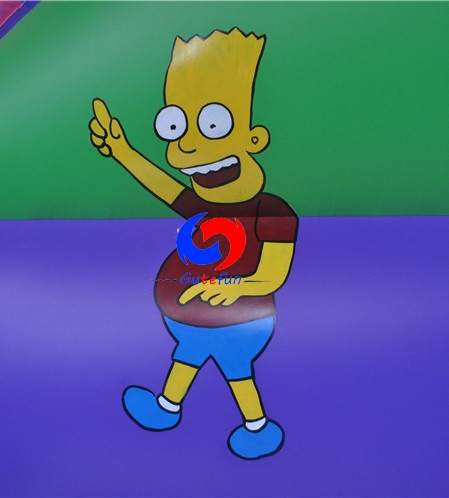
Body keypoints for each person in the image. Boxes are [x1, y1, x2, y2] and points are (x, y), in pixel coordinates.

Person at [88, 28, 297, 459]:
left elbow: (273, 273)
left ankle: (255, 427)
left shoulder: (271, 211)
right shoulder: (205, 203)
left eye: (212, 125)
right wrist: (123, 151)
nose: (185, 145)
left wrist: (233, 289)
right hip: (189, 312)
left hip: (240, 319)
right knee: (192, 354)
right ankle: (170, 408)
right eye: (174, 127)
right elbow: (165, 187)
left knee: (234, 368)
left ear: (254, 139)